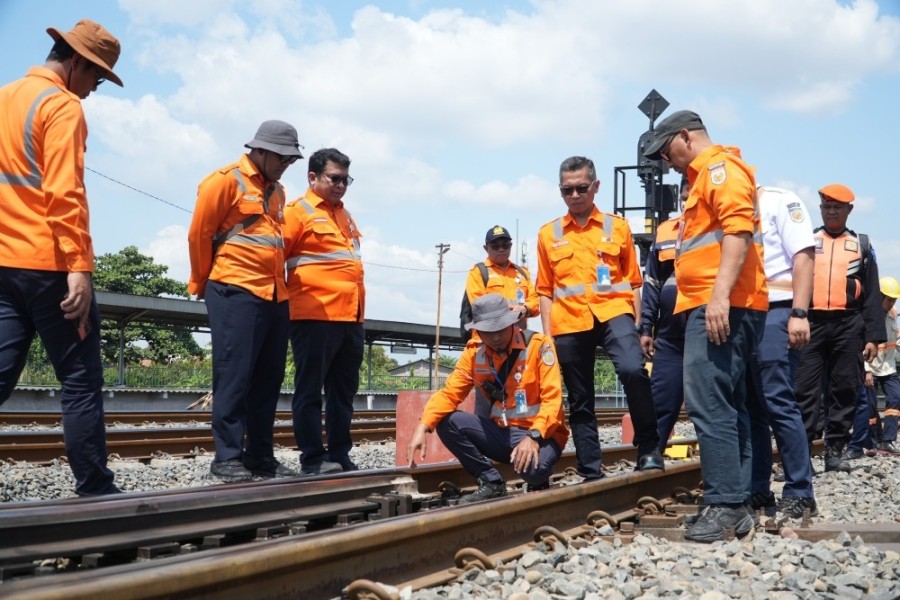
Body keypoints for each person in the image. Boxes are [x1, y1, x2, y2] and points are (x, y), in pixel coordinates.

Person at [0, 19, 124, 496]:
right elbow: (63, 193)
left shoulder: (6, 97)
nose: (94, 89)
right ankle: (95, 488)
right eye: (97, 78)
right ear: (76, 62)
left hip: (4, 266)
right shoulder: (61, 105)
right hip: (48, 265)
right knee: (79, 379)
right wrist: (78, 267)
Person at [644, 110, 767, 542]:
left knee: (708, 401)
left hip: (721, 305)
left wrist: (718, 297)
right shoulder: (706, 177)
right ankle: (738, 501)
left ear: (685, 136)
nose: (666, 161)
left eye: (666, 151)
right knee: (729, 404)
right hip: (724, 304)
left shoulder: (719, 170)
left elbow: (738, 232)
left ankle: (726, 504)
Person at [188, 120, 303, 482]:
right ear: (261, 151)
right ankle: (227, 458)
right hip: (234, 288)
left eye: (291, 159)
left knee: (268, 380)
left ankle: (260, 456)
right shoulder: (224, 181)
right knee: (234, 376)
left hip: (274, 294)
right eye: (283, 157)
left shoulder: (278, 191)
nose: (286, 164)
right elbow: (199, 234)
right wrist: (202, 282)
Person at [536, 156, 662, 480]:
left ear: (595, 186)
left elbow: (633, 281)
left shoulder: (617, 226)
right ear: (560, 190)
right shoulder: (548, 234)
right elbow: (545, 290)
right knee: (580, 398)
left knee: (633, 370)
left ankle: (649, 448)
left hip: (613, 312)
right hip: (569, 320)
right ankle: (590, 469)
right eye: (567, 190)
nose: (574, 195)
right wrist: (547, 336)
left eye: (581, 188)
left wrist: (638, 326)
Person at [406, 293, 569, 503]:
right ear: (478, 331)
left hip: (541, 434)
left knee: (533, 472)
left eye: (500, 329)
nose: (496, 338)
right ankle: (491, 482)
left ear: (511, 323)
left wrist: (533, 437)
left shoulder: (539, 346)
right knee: (447, 422)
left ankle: (538, 475)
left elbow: (553, 400)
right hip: (502, 433)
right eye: (488, 332)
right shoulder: (474, 354)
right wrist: (423, 426)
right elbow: (449, 393)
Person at [284, 148, 364, 475]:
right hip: (314, 316)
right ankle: (313, 458)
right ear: (312, 177)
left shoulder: (345, 216)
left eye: (346, 180)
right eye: (335, 178)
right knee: (309, 391)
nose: (341, 185)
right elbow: (276, 260)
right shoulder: (296, 213)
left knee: (343, 394)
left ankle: (339, 455)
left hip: (351, 317)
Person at [793, 184, 883, 473]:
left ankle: (835, 450)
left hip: (848, 325)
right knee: (804, 390)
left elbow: (872, 293)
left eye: (837, 207)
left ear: (849, 210)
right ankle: (801, 455)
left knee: (844, 388)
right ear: (820, 209)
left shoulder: (861, 245)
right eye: (826, 207)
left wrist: (873, 336)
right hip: (811, 324)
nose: (831, 212)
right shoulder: (808, 241)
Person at [745, 186, 816, 519]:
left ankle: (800, 491)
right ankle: (758, 488)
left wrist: (799, 312)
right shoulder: (723, 203)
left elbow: (804, 255)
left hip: (777, 309)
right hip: (745, 313)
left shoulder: (777, 200)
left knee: (778, 402)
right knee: (752, 408)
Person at [640, 178, 688, 452]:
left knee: (711, 408)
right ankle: (649, 459)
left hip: (710, 335)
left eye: (693, 197)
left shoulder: (719, 229)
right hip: (670, 339)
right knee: (661, 403)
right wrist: (646, 327)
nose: (687, 203)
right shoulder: (666, 231)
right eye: (684, 197)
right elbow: (652, 283)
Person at [847, 276, 900, 457]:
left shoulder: (893, 314)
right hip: (870, 368)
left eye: (894, 300)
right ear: (880, 297)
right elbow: (860, 344)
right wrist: (866, 370)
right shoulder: (866, 315)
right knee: (869, 406)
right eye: (889, 299)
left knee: (896, 397)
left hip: (888, 367)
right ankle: (872, 440)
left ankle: (888, 440)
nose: (892, 303)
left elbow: (896, 339)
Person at [464, 225, 538, 339]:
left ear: (511, 246)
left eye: (505, 245)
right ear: (486, 248)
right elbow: (478, 306)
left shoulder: (522, 273)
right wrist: (507, 311)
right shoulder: (478, 272)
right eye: (495, 246)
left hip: (518, 338)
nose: (501, 249)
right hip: (487, 339)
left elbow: (535, 301)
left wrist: (525, 309)